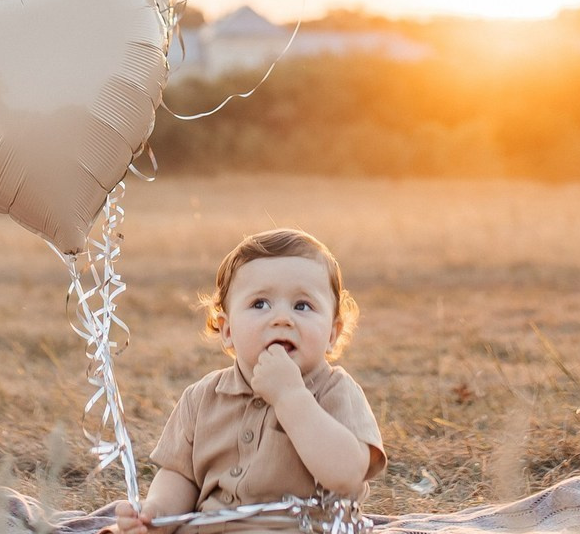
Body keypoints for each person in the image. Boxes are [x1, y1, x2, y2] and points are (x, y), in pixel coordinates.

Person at [113, 228, 385, 534]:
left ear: (332, 334)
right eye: (260, 304)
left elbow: (347, 474)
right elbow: (181, 477)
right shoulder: (202, 398)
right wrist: (156, 514)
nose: (282, 318)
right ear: (227, 330)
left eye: (302, 306)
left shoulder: (336, 391)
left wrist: (290, 397)